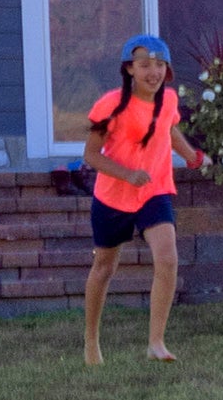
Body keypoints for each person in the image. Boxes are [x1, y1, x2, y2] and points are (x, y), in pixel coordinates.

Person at [80, 33, 192, 366]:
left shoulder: (168, 100)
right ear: (129, 68)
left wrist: (192, 154)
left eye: (159, 65)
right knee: (104, 268)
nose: (153, 72)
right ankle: (91, 343)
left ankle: (156, 342)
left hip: (154, 191)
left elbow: (168, 129)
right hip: (112, 197)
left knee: (168, 258)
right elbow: (90, 155)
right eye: (145, 65)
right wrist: (127, 175)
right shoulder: (111, 105)